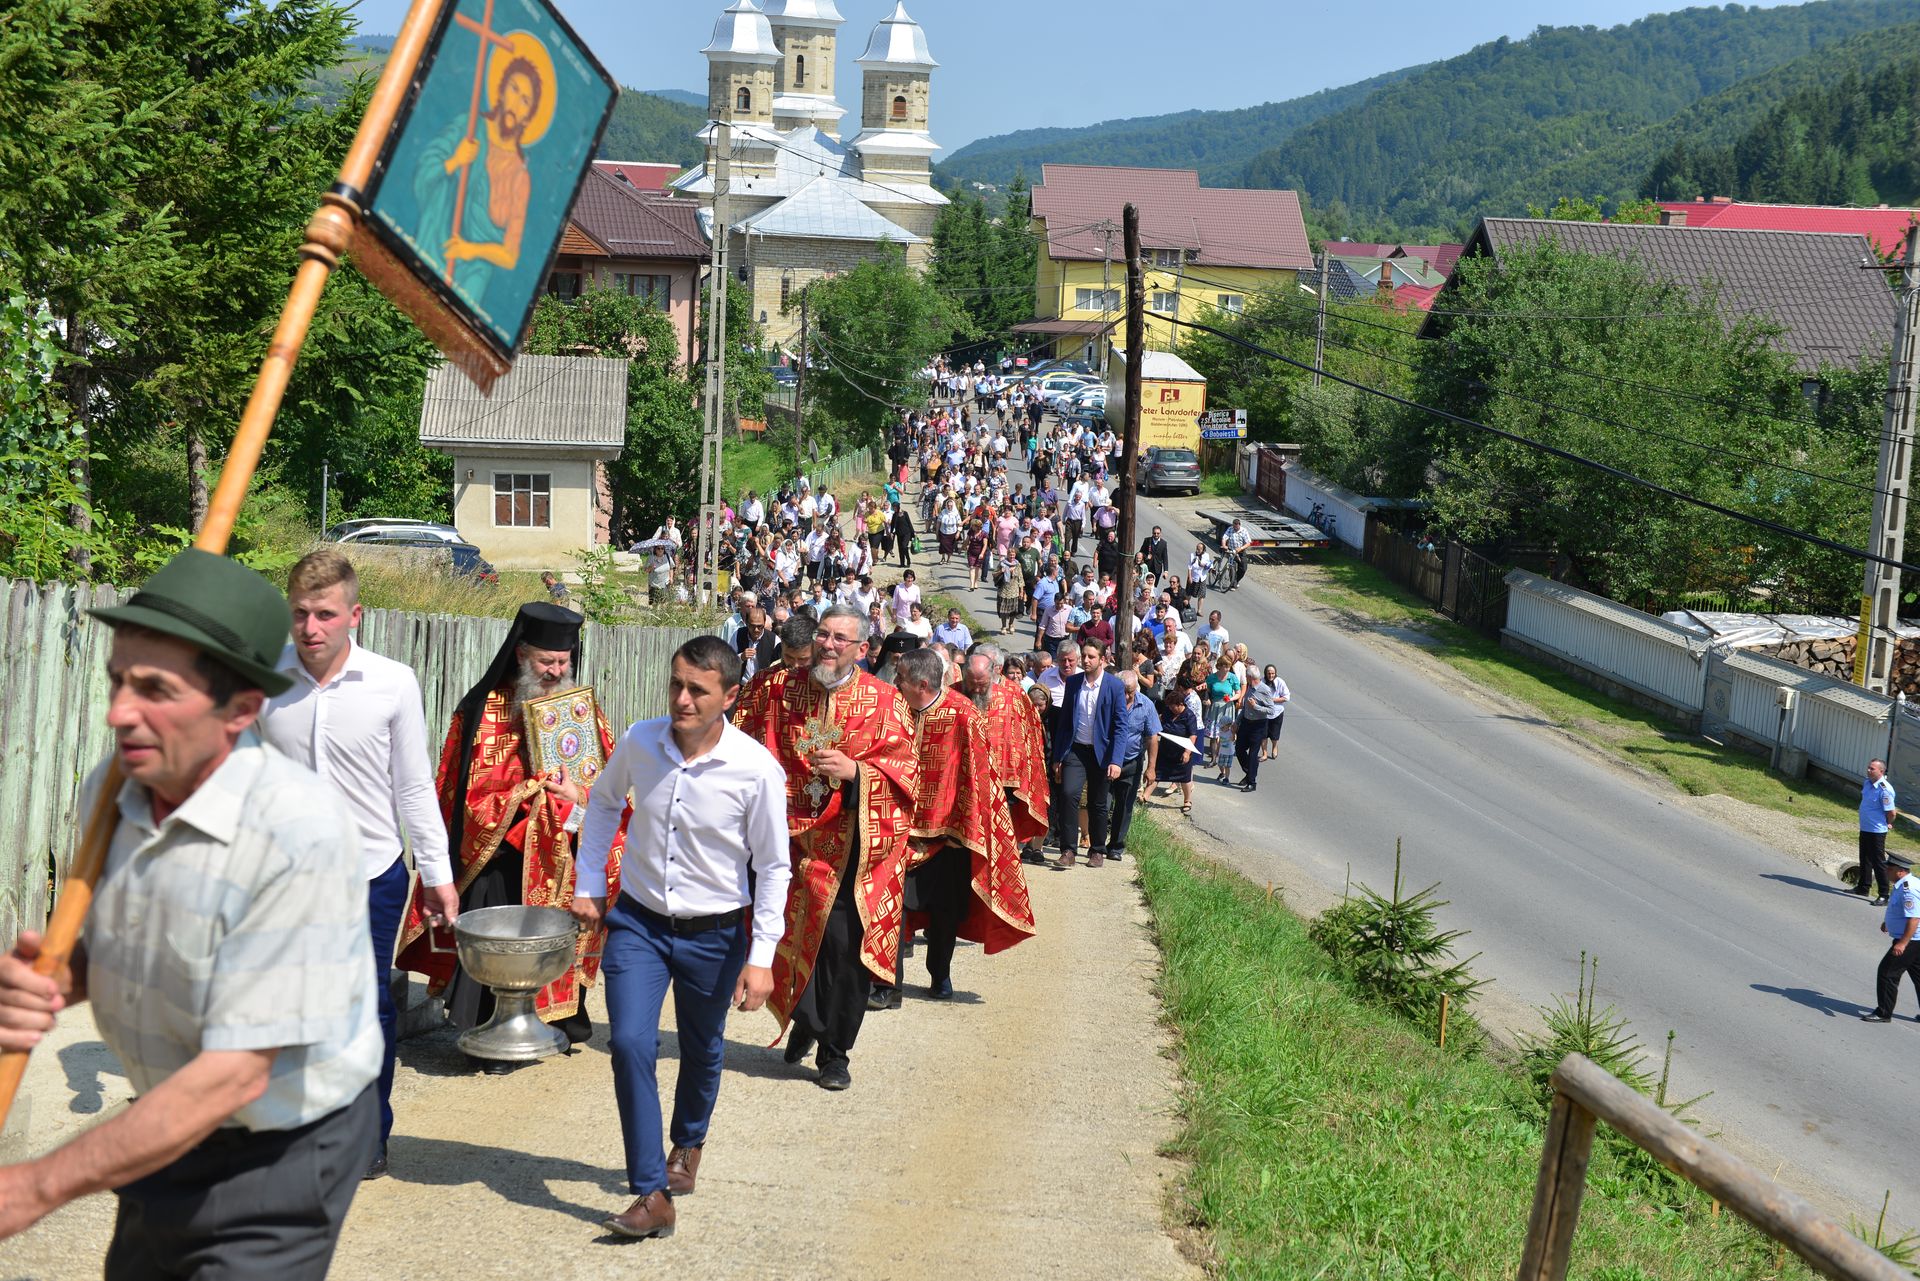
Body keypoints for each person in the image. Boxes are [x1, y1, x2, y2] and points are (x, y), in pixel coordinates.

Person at [0, 549, 379, 1273]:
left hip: (282, 1147)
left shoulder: (297, 833)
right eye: (116, 681)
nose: (118, 713)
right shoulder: (110, 793)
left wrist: (31, 1186)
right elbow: (133, 941)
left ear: (240, 709)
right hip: (164, 1123)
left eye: (153, 689)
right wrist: (51, 978)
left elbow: (236, 1074)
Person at [570, 637, 793, 1240]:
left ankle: (688, 1142)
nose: (683, 699)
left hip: (716, 934)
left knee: (701, 1045)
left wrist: (761, 957)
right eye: (677, 684)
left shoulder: (755, 770)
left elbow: (774, 867)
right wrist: (589, 882)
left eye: (698, 689)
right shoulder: (642, 741)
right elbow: (601, 803)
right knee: (631, 1046)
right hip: (638, 923)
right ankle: (651, 1191)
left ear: (730, 696)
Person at [259, 550, 458, 1180]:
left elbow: (413, 787)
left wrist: (438, 874)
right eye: (300, 614)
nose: (311, 627)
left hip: (372, 872)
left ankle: (368, 1132)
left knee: (367, 1004)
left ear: (354, 616)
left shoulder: (392, 683)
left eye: (324, 614)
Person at [394, 602, 627, 1065]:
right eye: (546, 661)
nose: (555, 670)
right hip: (500, 855)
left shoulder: (582, 709)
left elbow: (612, 781)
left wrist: (577, 792)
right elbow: (462, 792)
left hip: (564, 849)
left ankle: (560, 1020)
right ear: (521, 655)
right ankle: (490, 1028)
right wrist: (528, 792)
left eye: (562, 662)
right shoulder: (484, 710)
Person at [732, 604, 918, 1091]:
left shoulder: (885, 702)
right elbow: (737, 741)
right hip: (786, 846)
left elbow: (907, 776)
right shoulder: (777, 688)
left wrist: (857, 773)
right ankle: (806, 1021)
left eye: (840, 638)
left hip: (852, 852)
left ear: (861, 650)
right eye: (823, 634)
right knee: (787, 938)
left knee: (841, 951)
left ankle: (835, 1052)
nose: (828, 645)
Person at [871, 649, 1036, 1007]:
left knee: (945, 914)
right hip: (901, 828)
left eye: (901, 679)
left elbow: (980, 775)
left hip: (950, 835)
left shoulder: (963, 715)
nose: (896, 684)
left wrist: (971, 821)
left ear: (923, 683)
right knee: (893, 907)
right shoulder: (896, 709)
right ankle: (888, 985)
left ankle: (939, 975)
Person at [962, 645, 1052, 866]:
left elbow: (1030, 730)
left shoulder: (1014, 694)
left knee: (1003, 819)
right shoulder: (958, 692)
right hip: (965, 770)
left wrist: (1027, 766)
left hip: (1006, 772)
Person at [1050, 638, 1128, 869]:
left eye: (1091, 656)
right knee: (1068, 794)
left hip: (1102, 754)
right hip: (1076, 750)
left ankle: (1097, 850)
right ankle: (1068, 850)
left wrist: (1116, 759)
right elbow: (1064, 722)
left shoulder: (1114, 686)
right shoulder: (1074, 683)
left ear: (1102, 659)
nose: (1085, 660)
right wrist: (1058, 757)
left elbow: (1120, 725)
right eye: (1084, 655)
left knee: (1098, 802)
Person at [1103, 669, 1160, 863]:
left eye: (1131, 692)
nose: (1127, 696)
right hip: (1107, 761)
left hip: (1132, 761)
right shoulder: (1108, 700)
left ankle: (1116, 847)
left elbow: (1152, 737)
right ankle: (1098, 843)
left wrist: (1151, 768)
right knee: (1103, 802)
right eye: (1124, 691)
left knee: (1124, 806)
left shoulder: (1146, 705)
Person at [1861, 851, 1920, 1023]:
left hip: (1911, 940)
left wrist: (1902, 943)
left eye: (1889, 868)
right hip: (1914, 940)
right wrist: (1889, 922)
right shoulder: (1905, 883)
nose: (1886, 870)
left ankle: (1883, 1013)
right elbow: (1901, 910)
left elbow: (1914, 918)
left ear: (1900, 871)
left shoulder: (1909, 889)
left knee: (1887, 973)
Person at [1855, 758, 1898, 905]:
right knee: (1864, 858)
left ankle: (1884, 895)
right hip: (1865, 827)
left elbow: (1892, 813)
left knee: (1878, 862)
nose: (1868, 770)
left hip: (1877, 831)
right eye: (1868, 767)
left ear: (1881, 771)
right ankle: (1863, 887)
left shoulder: (1884, 789)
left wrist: (1888, 823)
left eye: (1872, 768)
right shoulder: (1867, 783)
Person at [1236, 665, 1282, 793]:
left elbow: (1271, 710)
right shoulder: (1250, 688)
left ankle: (1252, 782)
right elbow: (1245, 707)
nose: (1246, 678)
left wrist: (1256, 707)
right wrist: (1237, 722)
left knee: (1252, 754)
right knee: (1239, 749)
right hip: (1246, 723)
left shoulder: (1264, 690)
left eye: (1246, 676)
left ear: (1250, 677)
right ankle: (1249, 772)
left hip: (1258, 725)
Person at [1154, 685, 1198, 816]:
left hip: (1181, 752)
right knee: (1156, 774)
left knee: (1185, 778)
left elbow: (1193, 735)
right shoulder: (1167, 712)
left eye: (1173, 706)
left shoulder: (1189, 716)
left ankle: (1187, 801)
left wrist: (1187, 752)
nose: (1171, 708)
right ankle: (1144, 796)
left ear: (1180, 704)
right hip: (1166, 749)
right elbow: (1159, 724)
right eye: (1169, 706)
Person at [1256, 665, 1290, 763]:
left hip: (1277, 712)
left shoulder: (1280, 682)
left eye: (1272, 673)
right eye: (1269, 673)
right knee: (1264, 734)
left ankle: (1275, 747)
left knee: (1274, 733)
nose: (1271, 675)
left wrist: (1273, 700)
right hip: (1264, 713)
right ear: (1265, 674)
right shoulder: (1261, 682)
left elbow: (1286, 697)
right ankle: (1264, 753)